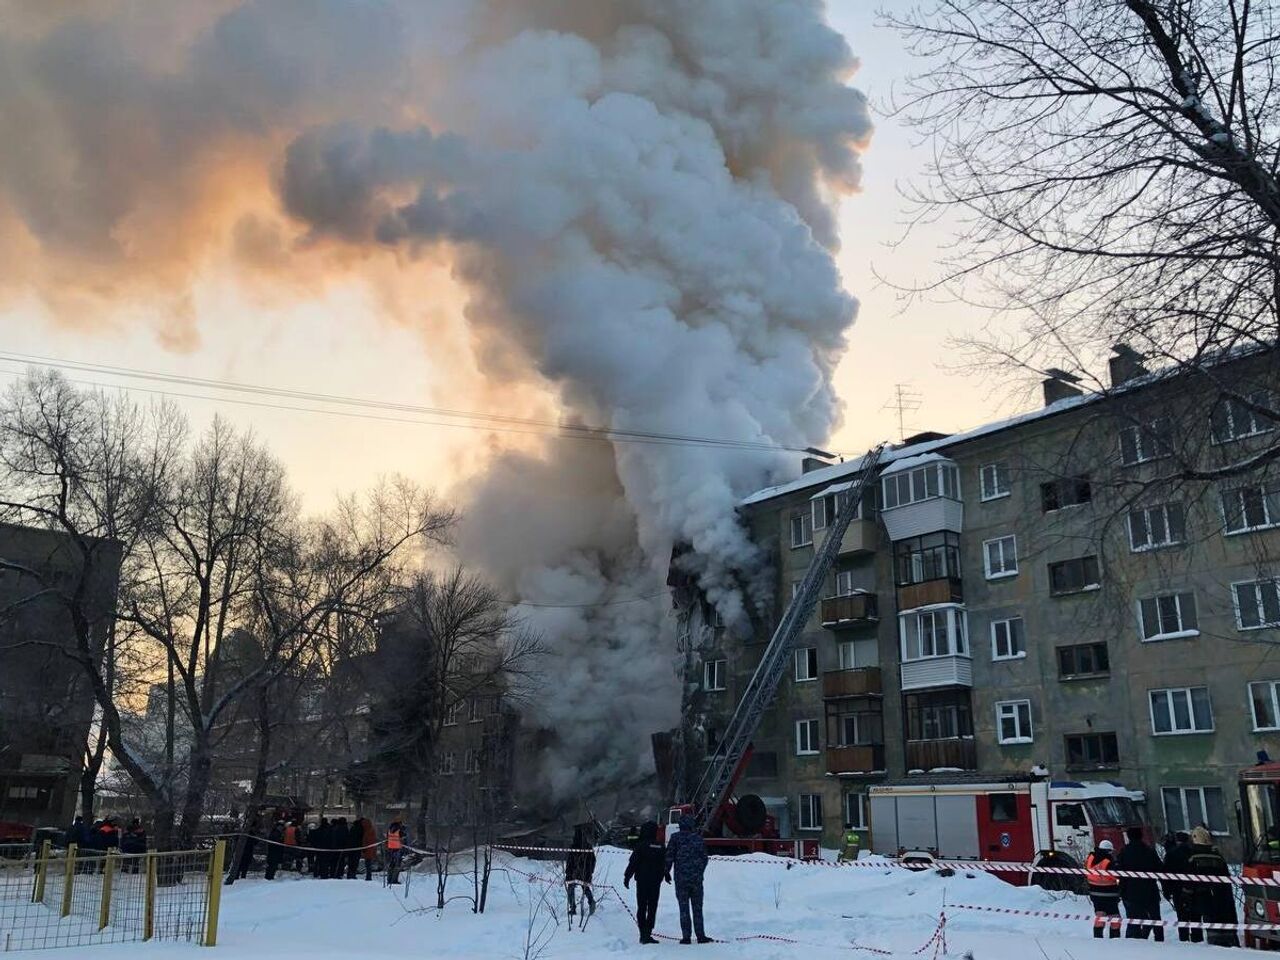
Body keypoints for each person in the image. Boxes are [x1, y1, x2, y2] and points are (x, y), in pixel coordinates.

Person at [1186, 826, 1238, 948]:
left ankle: (1216, 947)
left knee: (1212, 927)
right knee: (1223, 922)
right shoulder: (1217, 856)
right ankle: (1229, 942)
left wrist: (1187, 896)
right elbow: (1226, 877)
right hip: (1222, 897)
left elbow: (1189, 880)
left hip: (1204, 897)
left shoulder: (1193, 856)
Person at [666, 814, 712, 945]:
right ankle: (701, 936)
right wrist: (699, 872)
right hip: (696, 880)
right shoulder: (698, 838)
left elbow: (669, 856)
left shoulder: (675, 838)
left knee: (683, 908)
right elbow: (704, 858)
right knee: (698, 908)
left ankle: (686, 937)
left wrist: (666, 872)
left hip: (681, 880)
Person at [623, 821, 669, 944]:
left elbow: (633, 863)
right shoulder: (660, 846)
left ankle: (643, 933)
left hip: (642, 881)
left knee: (642, 907)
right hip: (655, 882)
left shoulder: (641, 845)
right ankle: (648, 931)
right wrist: (666, 874)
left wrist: (627, 877)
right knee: (652, 907)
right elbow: (664, 863)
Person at [1116, 827, 1164, 941]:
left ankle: (1137, 940)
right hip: (1150, 890)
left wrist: (1121, 890)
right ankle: (1159, 939)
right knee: (1155, 918)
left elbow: (1120, 872)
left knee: (1135, 919)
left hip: (1132, 891)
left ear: (1128, 837)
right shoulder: (1149, 850)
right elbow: (1160, 868)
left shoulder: (1124, 852)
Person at [1162, 830, 1200, 942]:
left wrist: (1167, 892)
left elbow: (1165, 875)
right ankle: (1197, 939)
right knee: (1195, 916)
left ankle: (1184, 940)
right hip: (1194, 889)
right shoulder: (1193, 852)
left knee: (1182, 917)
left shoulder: (1170, 854)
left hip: (1177, 890)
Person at [1085, 838, 1122, 939]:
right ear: (1108, 851)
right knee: (1115, 919)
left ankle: (1098, 939)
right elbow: (1115, 875)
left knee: (1100, 916)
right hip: (1109, 894)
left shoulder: (1090, 858)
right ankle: (1115, 940)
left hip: (1094, 893)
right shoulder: (1108, 861)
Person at [565, 827, 597, 922]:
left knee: (572, 888)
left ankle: (573, 908)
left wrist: (568, 872)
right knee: (584, 888)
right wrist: (590, 871)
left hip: (576, 872)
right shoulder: (588, 847)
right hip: (582, 872)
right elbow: (593, 861)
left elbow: (569, 861)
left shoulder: (575, 846)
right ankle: (589, 903)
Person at [385, 820, 406, 885]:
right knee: (397, 865)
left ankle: (389, 879)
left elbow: (387, 838)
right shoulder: (399, 830)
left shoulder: (389, 830)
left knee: (391, 865)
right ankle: (394, 880)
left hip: (390, 849)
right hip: (397, 849)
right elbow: (403, 837)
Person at [359, 817, 379, 882]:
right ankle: (368, 875)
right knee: (368, 864)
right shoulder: (371, 830)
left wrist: (364, 848)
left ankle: (368, 876)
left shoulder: (368, 831)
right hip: (370, 850)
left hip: (368, 850)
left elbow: (366, 841)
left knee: (368, 864)